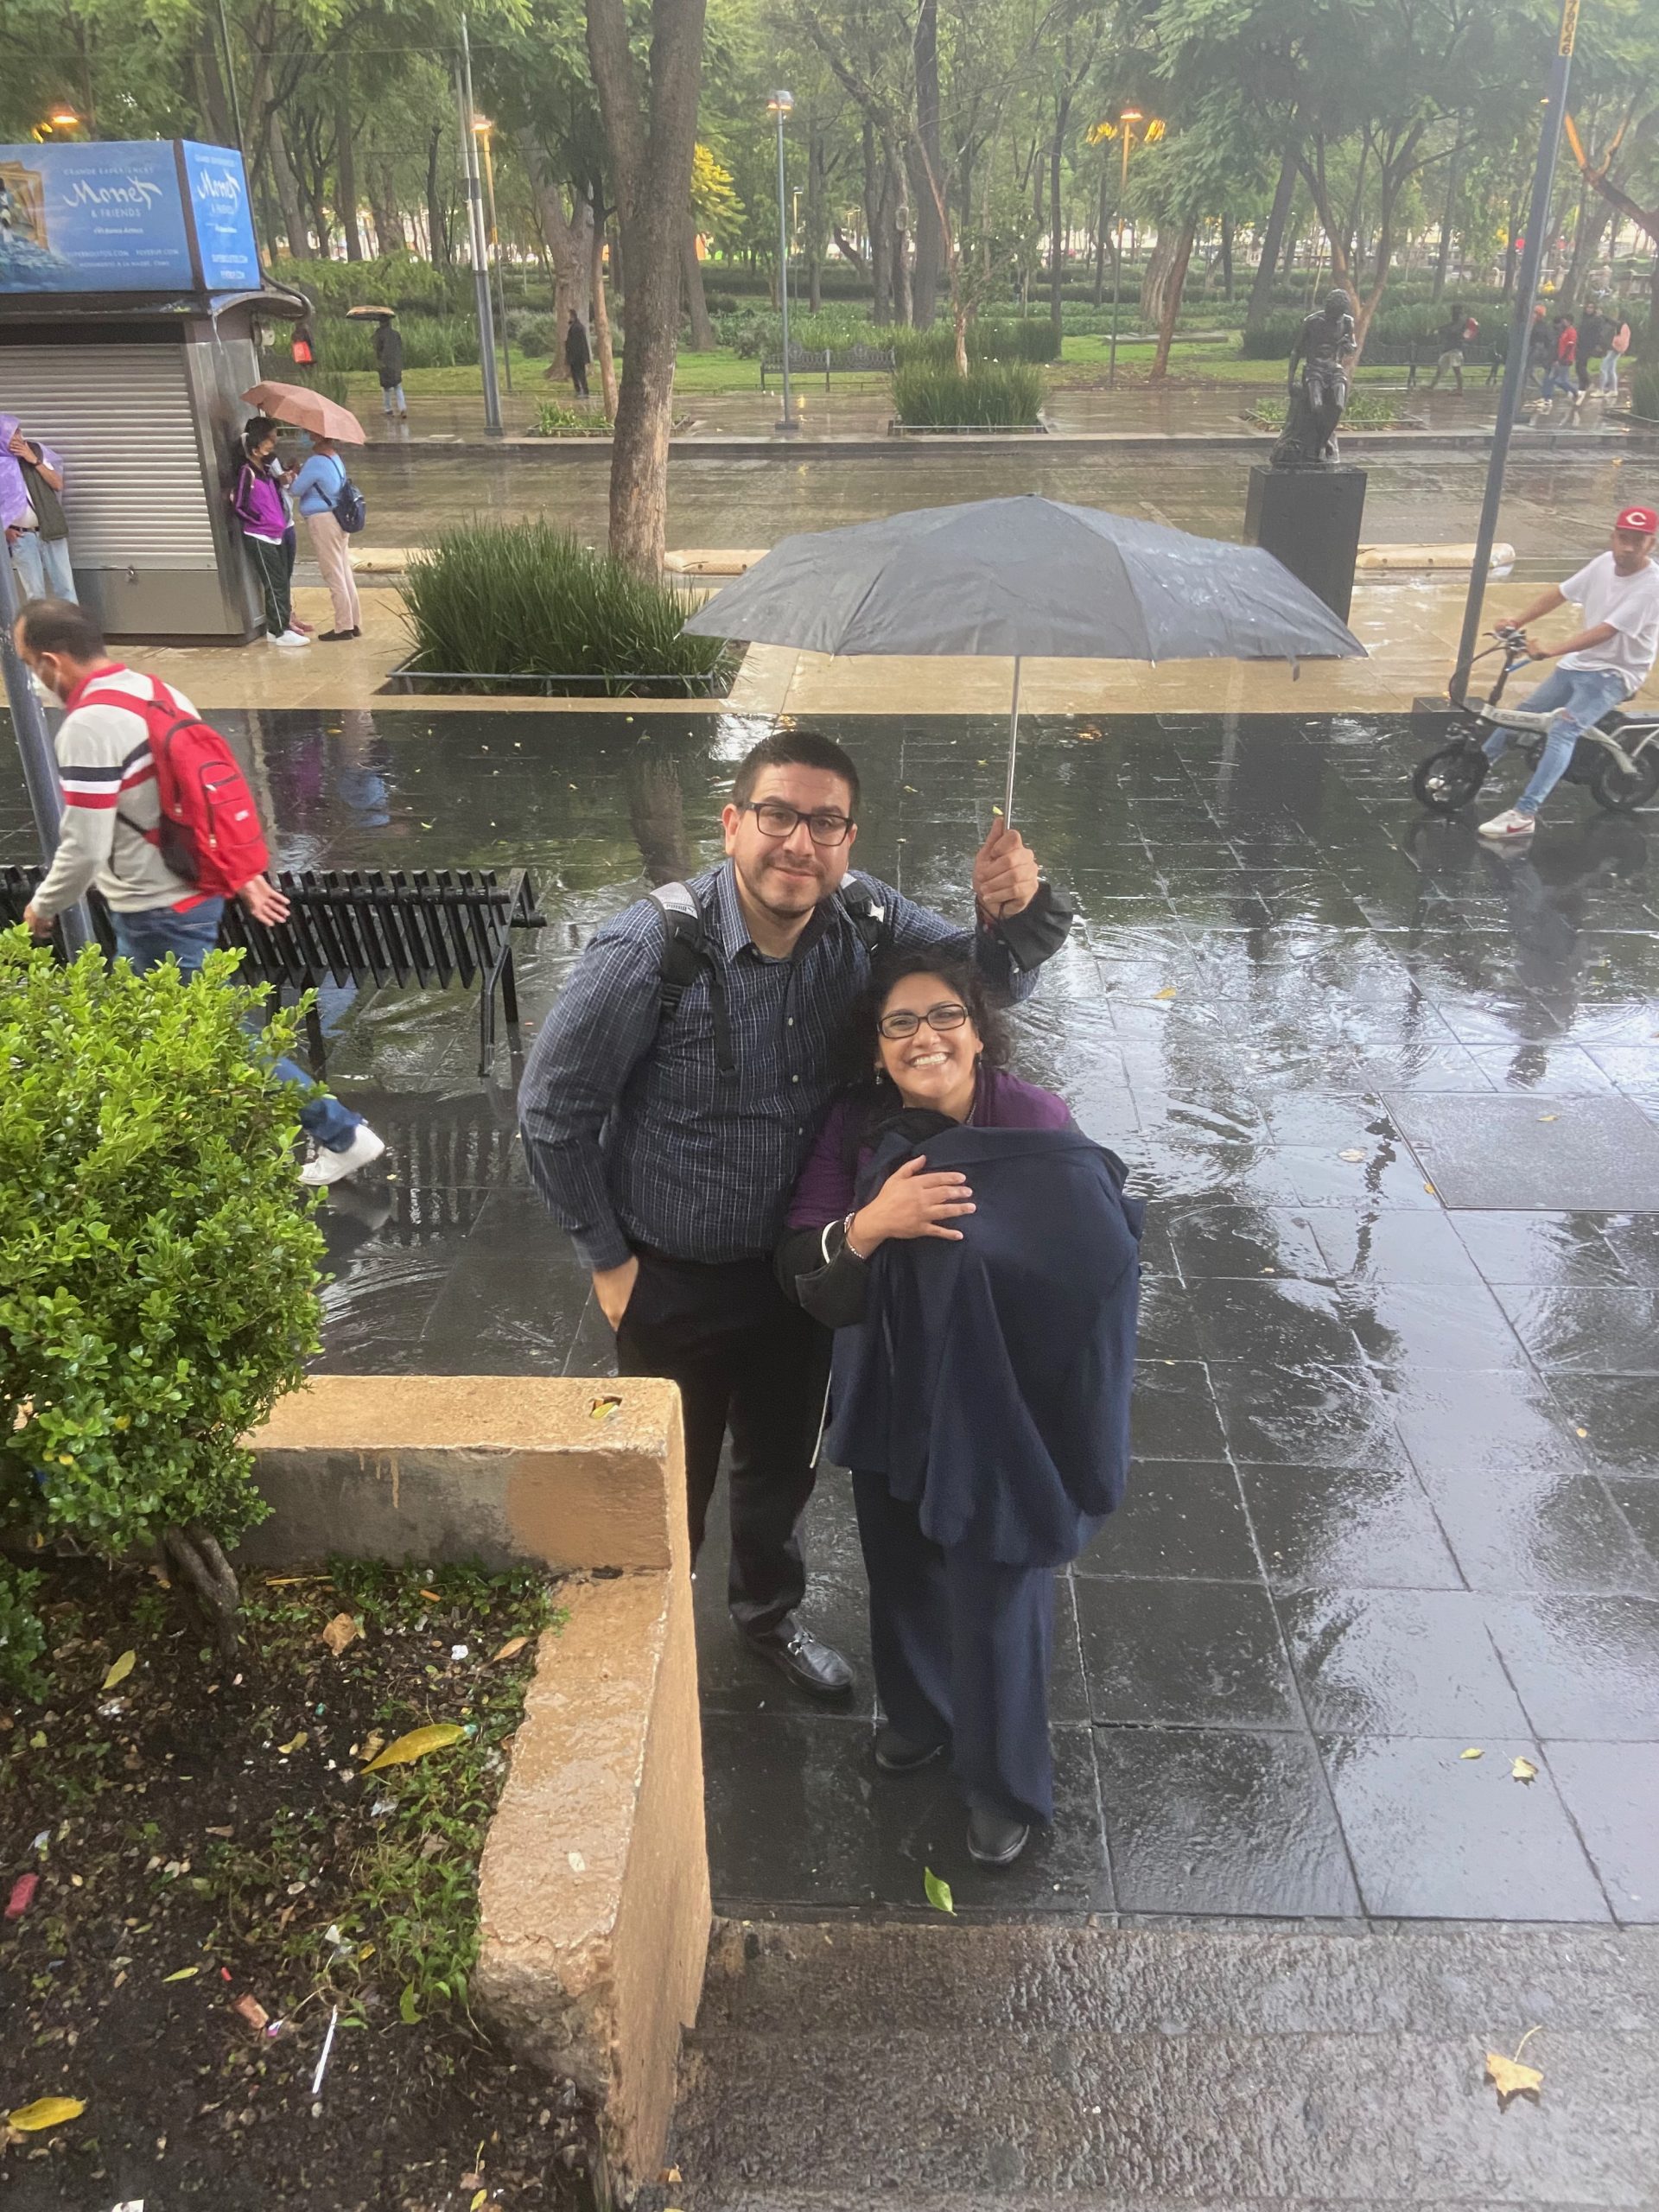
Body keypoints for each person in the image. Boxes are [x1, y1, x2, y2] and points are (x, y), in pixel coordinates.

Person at [518, 728, 1069, 1701]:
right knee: (665, 1479)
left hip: (803, 1271)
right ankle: (641, 1646)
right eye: (777, 815)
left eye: (826, 823)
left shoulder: (867, 918)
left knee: (781, 1468)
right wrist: (608, 1262)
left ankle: (767, 1618)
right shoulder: (649, 951)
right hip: (672, 1278)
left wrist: (1011, 912)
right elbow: (551, 1111)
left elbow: (981, 992)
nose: (799, 844)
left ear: (850, 839)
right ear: (734, 823)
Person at [775, 951, 1140, 1866]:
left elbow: (1095, 1258)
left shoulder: (1032, 1120)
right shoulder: (855, 1127)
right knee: (899, 1559)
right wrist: (872, 1224)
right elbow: (801, 1264)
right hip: (892, 1376)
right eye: (900, 1023)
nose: (925, 1037)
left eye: (945, 1016)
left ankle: (1002, 1780)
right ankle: (921, 1715)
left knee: (994, 1579)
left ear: (979, 1033)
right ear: (877, 1049)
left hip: (996, 1395)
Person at [14, 597, 386, 1186]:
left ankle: (341, 1132)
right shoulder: (156, 691)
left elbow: (83, 845)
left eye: (29, 665)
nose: (34, 681)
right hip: (193, 891)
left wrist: (42, 906)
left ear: (52, 662)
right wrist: (241, 874)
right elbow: (208, 795)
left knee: (214, 1035)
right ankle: (173, 1140)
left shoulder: (88, 725)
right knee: (154, 1028)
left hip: (154, 907)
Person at [1478, 505, 1659, 842]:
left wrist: (1551, 649)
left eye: (1638, 540)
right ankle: (1472, 770)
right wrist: (1516, 621)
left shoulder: (1651, 586)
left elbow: (1606, 631)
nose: (1628, 547)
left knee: (1563, 730)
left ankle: (1524, 815)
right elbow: (1560, 594)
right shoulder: (1602, 564)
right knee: (1522, 715)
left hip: (1616, 672)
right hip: (1580, 663)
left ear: (1651, 543)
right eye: (1623, 538)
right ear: (1613, 537)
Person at [232, 417, 308, 647]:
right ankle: (279, 630)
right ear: (255, 449)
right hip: (260, 536)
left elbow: (276, 497)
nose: (271, 449)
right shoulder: (247, 472)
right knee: (274, 583)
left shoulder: (265, 473)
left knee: (281, 581)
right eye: (267, 445)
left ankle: (279, 626)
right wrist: (259, 521)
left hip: (275, 534)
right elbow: (239, 505)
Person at [290, 431, 362, 641]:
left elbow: (296, 489)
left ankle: (343, 626)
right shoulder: (335, 459)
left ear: (317, 437)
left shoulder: (315, 462)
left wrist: (295, 473)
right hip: (338, 519)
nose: (306, 437)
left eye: (309, 434)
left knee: (333, 573)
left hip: (323, 521)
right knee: (344, 571)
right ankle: (354, 622)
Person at [2, 414, 76, 604]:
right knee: (35, 594)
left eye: (18, 431)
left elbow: (58, 484)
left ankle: (71, 623)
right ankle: (38, 625)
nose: (17, 437)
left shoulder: (36, 450)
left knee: (66, 588)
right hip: (21, 537)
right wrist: (5, 530)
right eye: (11, 434)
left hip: (50, 529)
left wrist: (33, 460)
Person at [1427, 307, 1470, 393]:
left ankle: (1460, 389)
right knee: (1440, 369)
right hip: (1447, 350)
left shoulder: (1461, 325)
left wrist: (1441, 330)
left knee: (1457, 370)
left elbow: (1454, 331)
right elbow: (1447, 328)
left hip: (1455, 350)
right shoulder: (1452, 324)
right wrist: (1437, 330)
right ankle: (1431, 387)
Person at [373, 315, 407, 420]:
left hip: (385, 364)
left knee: (386, 388)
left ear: (381, 323)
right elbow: (400, 347)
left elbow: (377, 349)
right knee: (398, 386)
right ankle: (402, 408)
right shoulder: (396, 334)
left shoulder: (379, 334)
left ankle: (388, 410)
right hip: (396, 363)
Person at [1539, 315, 1577, 404]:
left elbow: (1570, 346)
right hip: (1560, 358)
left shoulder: (1570, 332)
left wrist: (1561, 358)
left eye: (1565, 321)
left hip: (1565, 359)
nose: (1563, 323)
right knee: (1558, 379)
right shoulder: (1564, 331)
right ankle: (1548, 397)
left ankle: (1575, 390)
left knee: (1558, 379)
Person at [1600, 309, 1630, 400]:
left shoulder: (1621, 325)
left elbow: (1612, 322)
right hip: (1616, 348)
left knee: (1604, 367)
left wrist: (1603, 315)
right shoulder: (1624, 326)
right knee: (1611, 369)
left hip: (1615, 349)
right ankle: (1613, 389)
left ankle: (1601, 389)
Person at [564, 310, 591, 398]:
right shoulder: (575, 327)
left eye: (568, 316)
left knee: (580, 374)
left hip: (577, 357)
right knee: (575, 374)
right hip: (576, 356)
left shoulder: (577, 328)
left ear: (572, 316)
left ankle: (584, 391)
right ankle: (579, 390)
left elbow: (577, 344)